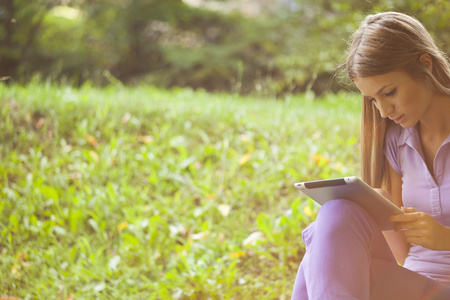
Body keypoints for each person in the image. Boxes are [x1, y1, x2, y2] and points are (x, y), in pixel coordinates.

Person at [291, 11, 450, 300]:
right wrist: (383, 210)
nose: (383, 111)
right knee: (336, 213)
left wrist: (446, 239)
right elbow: (402, 253)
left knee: (316, 262)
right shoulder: (396, 141)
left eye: (389, 92)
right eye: (373, 99)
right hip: (414, 283)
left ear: (424, 64)